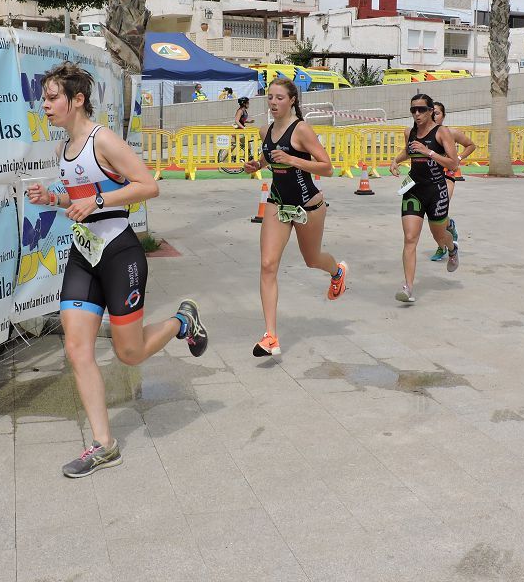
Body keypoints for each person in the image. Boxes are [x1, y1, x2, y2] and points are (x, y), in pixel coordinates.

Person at [26, 61, 209, 478]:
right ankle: (103, 444)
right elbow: (80, 196)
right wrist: (51, 199)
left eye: (53, 98)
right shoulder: (61, 150)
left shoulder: (102, 139)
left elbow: (148, 185)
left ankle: (183, 321)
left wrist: (98, 203)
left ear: (77, 100)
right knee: (77, 349)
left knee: (129, 354)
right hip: (83, 255)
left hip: (119, 253)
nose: (45, 105)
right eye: (44, 98)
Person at [242, 77, 348, 356]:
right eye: (270, 98)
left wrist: (294, 160)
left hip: (308, 205)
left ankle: (337, 271)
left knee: (312, 259)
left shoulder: (301, 130)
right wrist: (256, 165)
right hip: (278, 203)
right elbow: (270, 157)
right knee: (267, 264)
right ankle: (270, 336)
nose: (274, 102)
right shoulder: (265, 129)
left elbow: (327, 168)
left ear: (292, 101)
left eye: (279, 98)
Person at [389, 94, 460, 303]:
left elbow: (453, 164)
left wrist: (428, 152)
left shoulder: (442, 132)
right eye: (413, 110)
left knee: (440, 237)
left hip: (436, 191)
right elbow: (409, 152)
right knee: (410, 238)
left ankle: (452, 248)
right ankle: (408, 287)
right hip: (414, 190)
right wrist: (395, 160)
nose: (417, 114)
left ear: (430, 111)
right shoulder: (410, 132)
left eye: (421, 109)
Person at [430, 102, 473, 263]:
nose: (434, 116)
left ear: (443, 116)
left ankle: (442, 246)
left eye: (437, 113)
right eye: (431, 112)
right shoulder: (422, 133)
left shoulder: (451, 133)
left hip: (447, 176)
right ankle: (448, 227)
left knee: (440, 208)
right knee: (433, 215)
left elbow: (470, 145)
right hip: (429, 179)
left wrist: (459, 158)